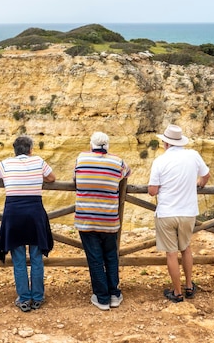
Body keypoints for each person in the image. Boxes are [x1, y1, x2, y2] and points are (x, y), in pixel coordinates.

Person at [0, 135, 56, 312]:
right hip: (35, 215)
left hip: (14, 215)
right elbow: (51, 178)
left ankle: (23, 299)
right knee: (36, 258)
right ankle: (37, 298)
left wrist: (5, 177)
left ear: (15, 151)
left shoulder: (6, 164)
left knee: (19, 259)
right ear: (30, 150)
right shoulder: (38, 161)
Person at [148, 124, 210, 303]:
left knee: (171, 253)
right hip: (188, 212)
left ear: (165, 143)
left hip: (167, 212)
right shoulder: (193, 155)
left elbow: (152, 190)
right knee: (186, 248)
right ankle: (189, 286)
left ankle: (177, 292)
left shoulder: (160, 161)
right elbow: (206, 175)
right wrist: (199, 183)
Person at [74, 132, 131, 311]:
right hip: (109, 219)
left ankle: (102, 297)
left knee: (95, 258)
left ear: (91, 145)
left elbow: (75, 179)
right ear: (107, 146)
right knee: (111, 255)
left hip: (86, 218)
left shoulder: (81, 158)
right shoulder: (117, 161)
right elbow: (127, 172)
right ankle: (114, 294)